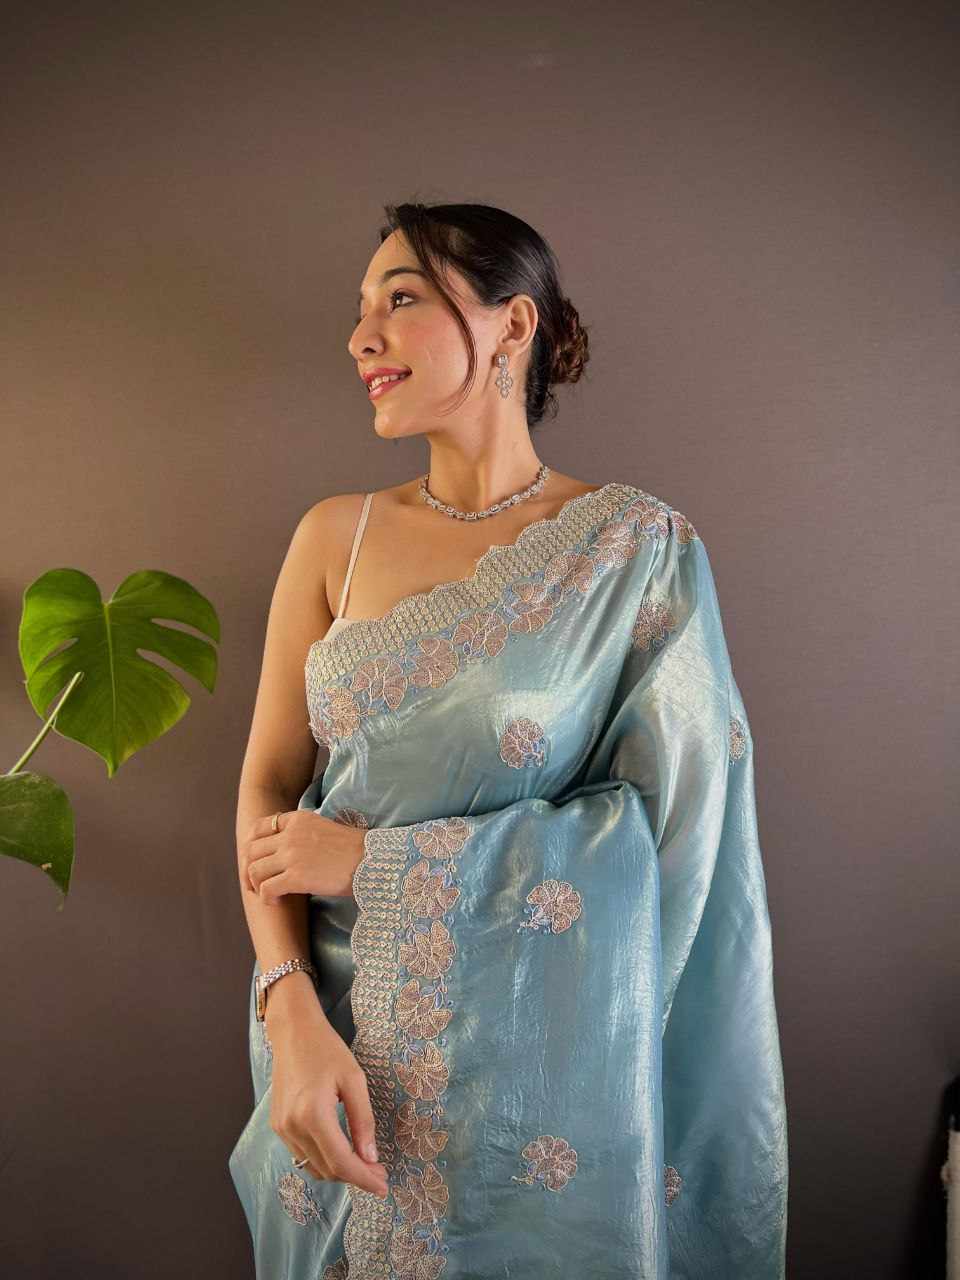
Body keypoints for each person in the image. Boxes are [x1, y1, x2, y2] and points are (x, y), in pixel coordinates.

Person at [228, 202, 788, 1279]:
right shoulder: (334, 537)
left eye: (400, 299)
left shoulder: (634, 553)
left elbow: (676, 838)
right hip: (329, 1050)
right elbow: (266, 788)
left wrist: (376, 864)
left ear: (513, 325)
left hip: (538, 1097)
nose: (361, 337)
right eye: (361, 308)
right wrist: (286, 1004)